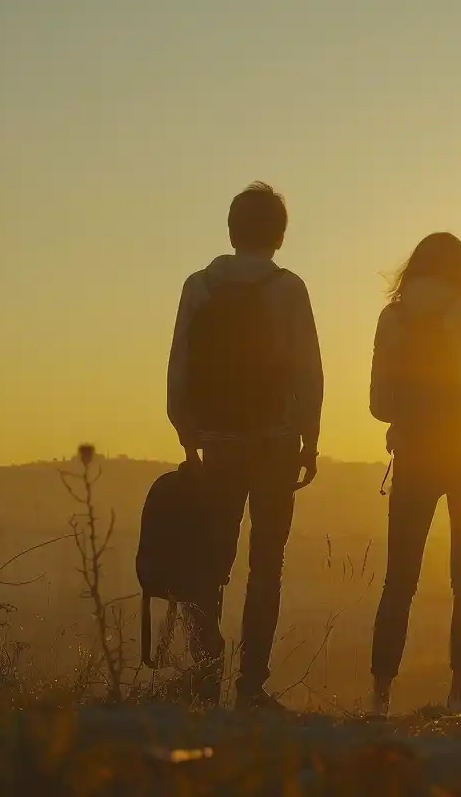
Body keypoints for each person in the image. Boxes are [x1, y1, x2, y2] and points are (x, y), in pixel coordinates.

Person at [166, 181, 323, 709]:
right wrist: (310, 436)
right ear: (278, 234)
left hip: (218, 443)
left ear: (232, 229)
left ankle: (206, 672)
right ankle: (251, 685)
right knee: (266, 565)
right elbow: (308, 369)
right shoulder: (288, 288)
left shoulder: (199, 286)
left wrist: (188, 434)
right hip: (276, 442)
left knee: (211, 562)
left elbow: (180, 363)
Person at [368, 232, 461, 716]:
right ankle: (459, 692)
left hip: (413, 456)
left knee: (398, 579)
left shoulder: (394, 317)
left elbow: (378, 404)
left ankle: (381, 694)